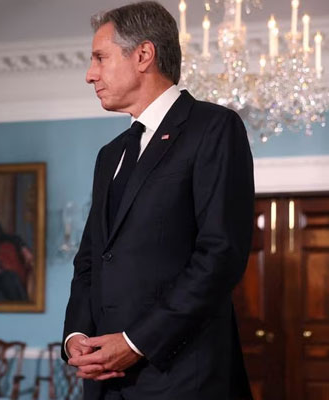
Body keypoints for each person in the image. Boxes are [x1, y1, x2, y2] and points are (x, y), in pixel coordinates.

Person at [61, 2, 255, 399]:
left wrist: (135, 343)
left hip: (183, 378)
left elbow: (220, 254)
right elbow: (91, 259)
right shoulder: (109, 155)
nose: (89, 74)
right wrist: (76, 334)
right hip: (104, 382)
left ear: (144, 55)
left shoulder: (213, 128)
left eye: (100, 57)